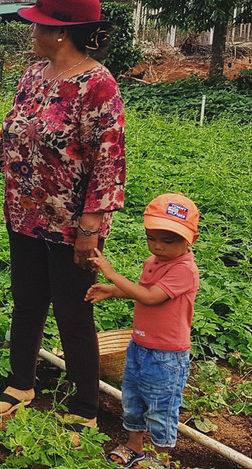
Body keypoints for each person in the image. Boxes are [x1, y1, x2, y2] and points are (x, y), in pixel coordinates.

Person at [0, 0, 126, 431]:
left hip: (72, 223)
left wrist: (89, 230)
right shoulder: (34, 75)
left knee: (74, 312)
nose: (31, 28)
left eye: (40, 22)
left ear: (62, 31)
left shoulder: (97, 84)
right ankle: (21, 383)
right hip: (24, 212)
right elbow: (9, 136)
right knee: (27, 301)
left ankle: (85, 407)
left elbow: (108, 162)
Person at [87, 193, 200, 468]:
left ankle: (161, 457)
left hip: (167, 355)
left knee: (162, 407)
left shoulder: (185, 269)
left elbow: (151, 298)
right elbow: (146, 292)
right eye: (152, 238)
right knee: (133, 400)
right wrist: (113, 291)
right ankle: (134, 446)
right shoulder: (153, 262)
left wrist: (112, 275)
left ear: (190, 240)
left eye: (168, 240)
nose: (158, 246)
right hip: (139, 345)